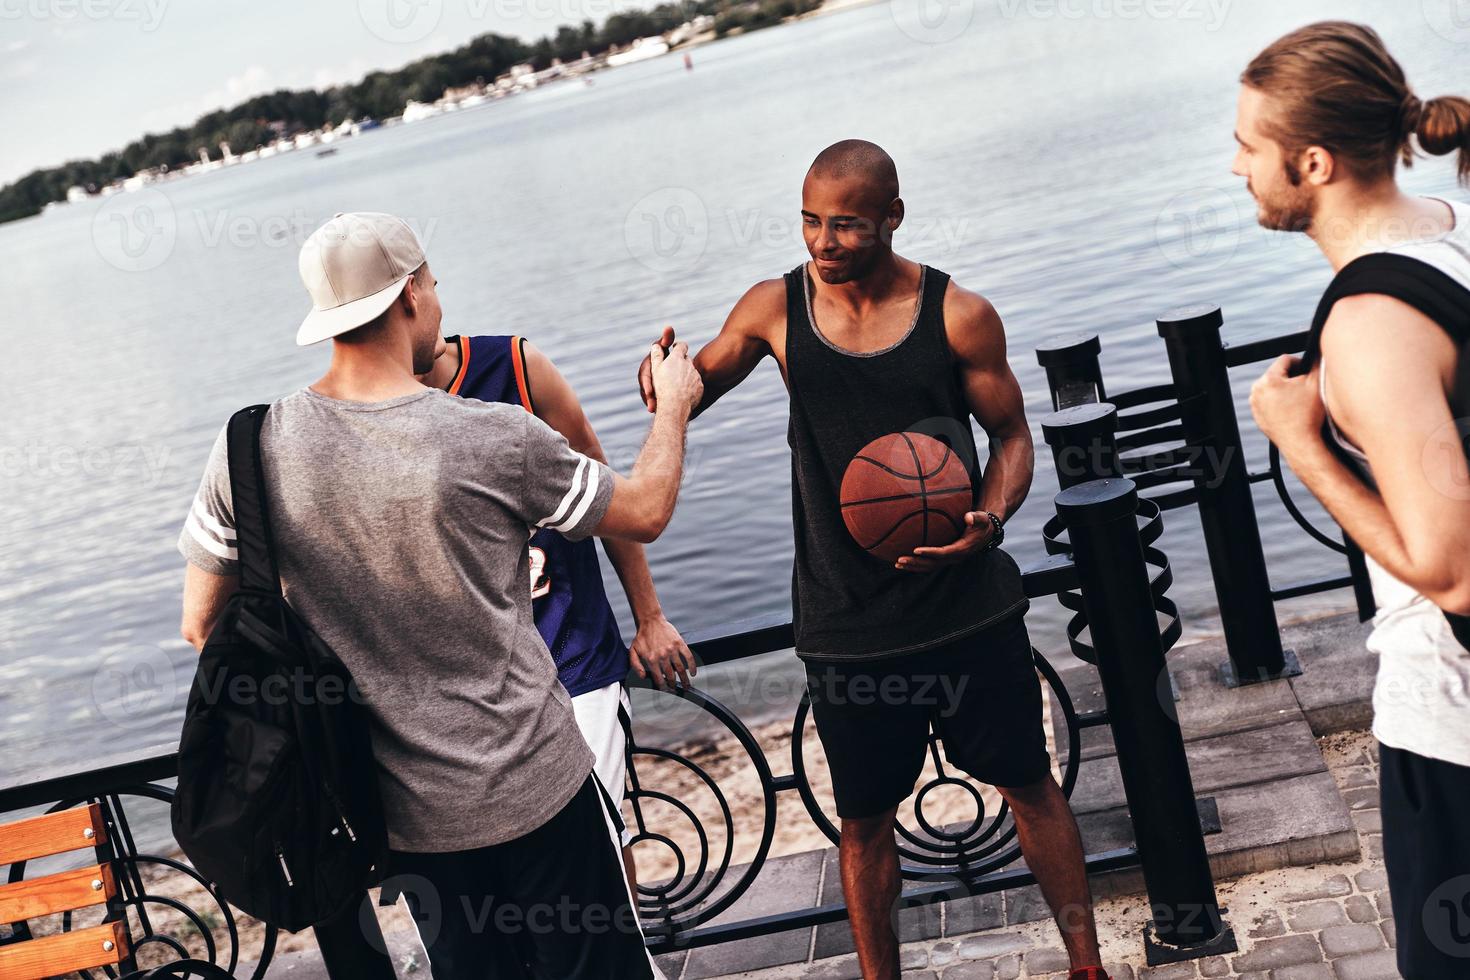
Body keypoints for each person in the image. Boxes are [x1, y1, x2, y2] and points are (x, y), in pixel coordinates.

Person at [178, 211, 703, 979]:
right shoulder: (490, 437)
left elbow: (203, 627)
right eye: (432, 285)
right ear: (410, 297)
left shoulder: (248, 450)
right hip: (538, 789)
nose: (440, 304)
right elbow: (645, 508)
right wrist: (675, 404)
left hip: (401, 822)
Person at [637, 142, 1109, 980]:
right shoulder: (774, 308)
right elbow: (694, 388)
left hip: (967, 607)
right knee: (862, 823)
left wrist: (990, 519)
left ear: (892, 217)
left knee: (1031, 785)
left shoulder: (959, 315)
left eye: (846, 225)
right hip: (845, 622)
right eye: (811, 221)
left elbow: (1010, 437)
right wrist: (663, 380)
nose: (823, 241)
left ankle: (1086, 967)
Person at [1238, 22, 1470, 979]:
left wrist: (1299, 442)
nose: (1237, 168)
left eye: (1249, 147)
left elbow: (1454, 571)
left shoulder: (1374, 328)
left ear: (1315, 162)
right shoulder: (1451, 237)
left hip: (1452, 722)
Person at [419, 332, 696, 897]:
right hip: (473, 691)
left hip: (572, 659)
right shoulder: (366, 419)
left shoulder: (515, 368)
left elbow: (611, 493)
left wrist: (649, 616)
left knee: (598, 847)